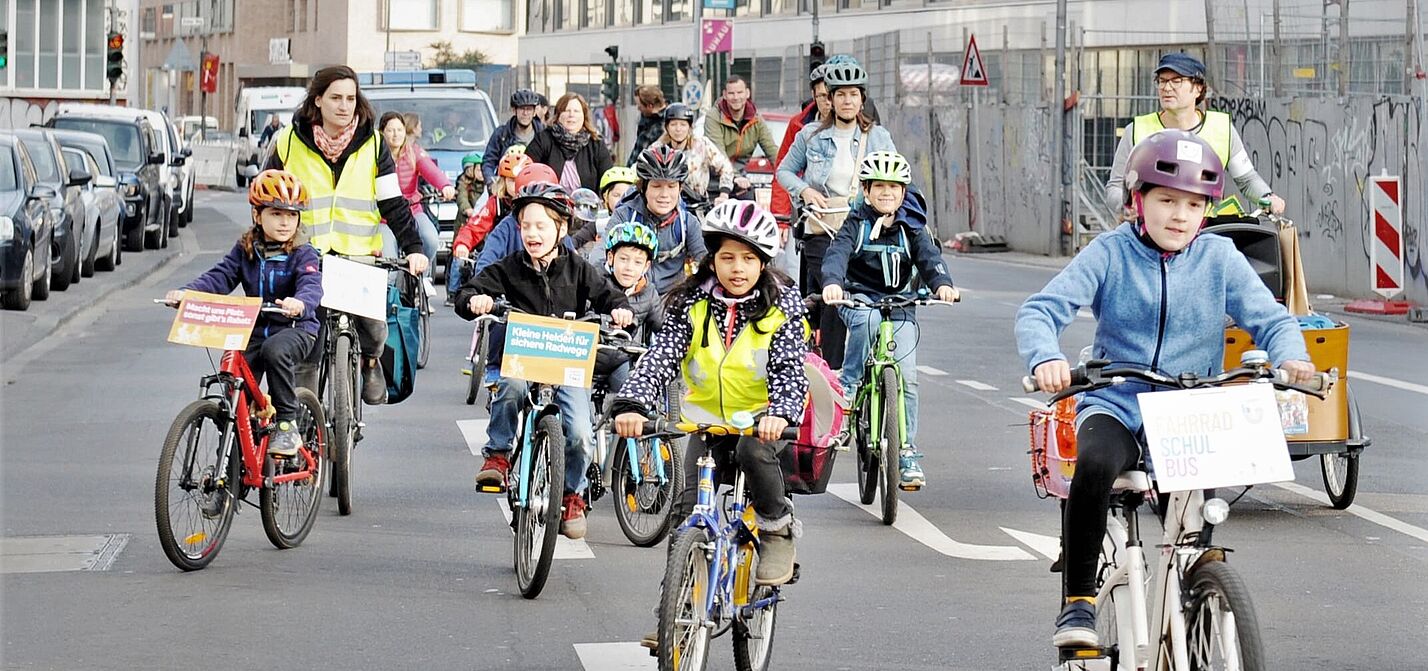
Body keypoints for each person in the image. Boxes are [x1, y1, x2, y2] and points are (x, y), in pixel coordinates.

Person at [1015, 130, 1315, 649]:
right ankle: (1079, 602)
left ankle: (1200, 591)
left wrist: (1293, 356)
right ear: (1138, 201)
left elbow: (1271, 319)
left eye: (1195, 204)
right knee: (1094, 466)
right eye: (1167, 200)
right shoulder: (1109, 252)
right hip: (1118, 402)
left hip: (1191, 411)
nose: (1180, 215)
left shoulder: (1220, 258)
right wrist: (1047, 358)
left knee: (1197, 519)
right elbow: (1042, 310)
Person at [612, 200, 808, 595]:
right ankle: (676, 605)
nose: (738, 268)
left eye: (749, 259)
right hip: (705, 423)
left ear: (764, 262)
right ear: (712, 259)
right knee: (686, 516)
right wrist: (631, 403)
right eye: (728, 257)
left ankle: (775, 529)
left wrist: (780, 414)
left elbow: (790, 368)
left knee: (753, 455)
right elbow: (661, 354)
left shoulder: (781, 305)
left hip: (761, 422)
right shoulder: (690, 302)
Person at [456, 181, 634, 540]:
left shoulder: (579, 268)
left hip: (568, 363)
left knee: (582, 434)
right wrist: (477, 301)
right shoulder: (509, 268)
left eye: (541, 226)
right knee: (508, 387)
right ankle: (499, 456)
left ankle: (571, 495)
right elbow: (468, 292)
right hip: (524, 357)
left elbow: (610, 296)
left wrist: (620, 312)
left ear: (562, 228)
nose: (532, 233)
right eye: (525, 226)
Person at [266, 65, 428, 405]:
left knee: (373, 328)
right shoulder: (289, 141)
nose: (344, 106)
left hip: (358, 255)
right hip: (306, 257)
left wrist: (413, 246)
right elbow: (266, 197)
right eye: (336, 98)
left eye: (351, 99)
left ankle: (370, 362)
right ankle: (305, 417)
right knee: (307, 341)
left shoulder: (372, 143)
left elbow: (392, 202)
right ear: (318, 100)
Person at [820, 152, 958, 490]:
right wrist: (833, 283)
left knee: (907, 376)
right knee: (866, 321)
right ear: (866, 191)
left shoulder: (912, 226)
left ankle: (906, 449)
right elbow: (837, 254)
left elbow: (930, 258)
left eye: (893, 188)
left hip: (900, 303)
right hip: (858, 297)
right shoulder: (856, 223)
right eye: (879, 186)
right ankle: (849, 390)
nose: (886, 194)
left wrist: (942, 285)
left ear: (903, 192)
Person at [166, 170, 323, 457]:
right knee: (231, 373)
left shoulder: (304, 253)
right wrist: (187, 293)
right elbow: (220, 277)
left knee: (275, 351)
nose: (285, 222)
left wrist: (300, 302)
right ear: (257, 215)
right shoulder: (246, 249)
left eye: (292, 215)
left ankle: (287, 426)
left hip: (296, 329)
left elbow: (311, 285)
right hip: (254, 328)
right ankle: (235, 451)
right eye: (276, 214)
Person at [776, 60, 896, 370]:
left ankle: (876, 364)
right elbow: (785, 171)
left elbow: (897, 179)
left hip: (866, 228)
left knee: (878, 293)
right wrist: (805, 192)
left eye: (853, 95)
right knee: (834, 296)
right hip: (823, 229)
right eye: (840, 95)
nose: (847, 102)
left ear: (862, 98)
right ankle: (834, 375)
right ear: (829, 98)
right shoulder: (810, 135)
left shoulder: (879, 137)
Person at [1105, 53, 1285, 217]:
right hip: (1151, 234)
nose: (1166, 88)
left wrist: (1267, 197)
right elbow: (1114, 187)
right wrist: (1129, 207)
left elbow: (1247, 179)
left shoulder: (1222, 129)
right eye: (1162, 80)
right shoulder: (1137, 130)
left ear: (1198, 88)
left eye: (1176, 81)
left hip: (1206, 234)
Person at [606, 146, 706, 294]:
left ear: (680, 189)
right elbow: (599, 257)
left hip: (670, 298)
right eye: (657, 186)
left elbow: (705, 262)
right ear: (643, 188)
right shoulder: (624, 215)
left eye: (671, 186)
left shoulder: (687, 223)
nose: (664, 194)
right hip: (627, 295)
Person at [594, 221, 665, 395]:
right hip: (589, 358)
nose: (629, 268)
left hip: (622, 359)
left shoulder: (649, 292)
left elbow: (663, 325)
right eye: (623, 259)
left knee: (632, 396)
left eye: (637, 262)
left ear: (646, 266)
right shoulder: (594, 281)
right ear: (611, 258)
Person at [380, 112, 449, 271]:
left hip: (413, 210)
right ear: (382, 132)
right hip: (383, 218)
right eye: (391, 130)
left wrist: (445, 186)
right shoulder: (375, 155)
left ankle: (421, 279)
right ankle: (391, 291)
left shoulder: (413, 152)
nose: (396, 134)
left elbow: (431, 170)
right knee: (388, 257)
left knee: (430, 239)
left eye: (400, 129)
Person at [526, 93, 614, 194]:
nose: (571, 115)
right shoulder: (543, 139)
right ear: (558, 115)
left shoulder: (596, 144)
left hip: (587, 206)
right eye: (567, 110)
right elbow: (528, 170)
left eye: (576, 111)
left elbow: (608, 180)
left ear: (584, 116)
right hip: (550, 204)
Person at [652, 103, 734, 204]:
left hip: (697, 205)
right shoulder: (657, 148)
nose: (678, 129)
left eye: (683, 125)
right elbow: (640, 169)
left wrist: (724, 194)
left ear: (690, 127)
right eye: (673, 124)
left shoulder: (702, 145)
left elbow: (725, 167)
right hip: (665, 205)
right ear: (667, 127)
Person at [704, 75, 778, 175]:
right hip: (714, 176)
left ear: (747, 93)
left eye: (739, 92)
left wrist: (787, 175)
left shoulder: (756, 120)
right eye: (731, 93)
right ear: (724, 95)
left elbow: (772, 151)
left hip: (742, 174)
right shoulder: (713, 117)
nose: (736, 97)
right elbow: (718, 155)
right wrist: (736, 177)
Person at [481, 89, 545, 185]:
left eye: (529, 109)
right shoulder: (501, 134)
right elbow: (488, 162)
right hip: (505, 188)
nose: (525, 113)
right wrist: (491, 182)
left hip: (533, 188)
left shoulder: (543, 135)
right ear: (514, 110)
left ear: (535, 112)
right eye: (522, 109)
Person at [629, 85, 669, 163]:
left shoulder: (665, 124)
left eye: (639, 106)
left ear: (650, 106)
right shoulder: (646, 118)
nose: (638, 108)